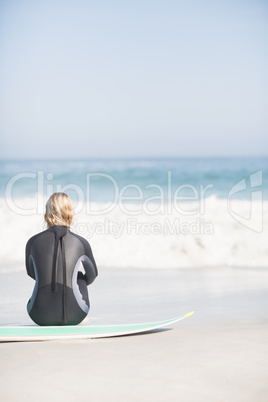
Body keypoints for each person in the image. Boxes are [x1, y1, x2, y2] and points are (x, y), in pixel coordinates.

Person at [25, 192, 98, 326]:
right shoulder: (81, 242)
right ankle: (73, 302)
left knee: (42, 277)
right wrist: (75, 280)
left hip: (38, 315)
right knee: (80, 277)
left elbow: (31, 273)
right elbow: (93, 275)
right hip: (75, 315)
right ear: (69, 212)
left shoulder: (32, 242)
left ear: (47, 213)